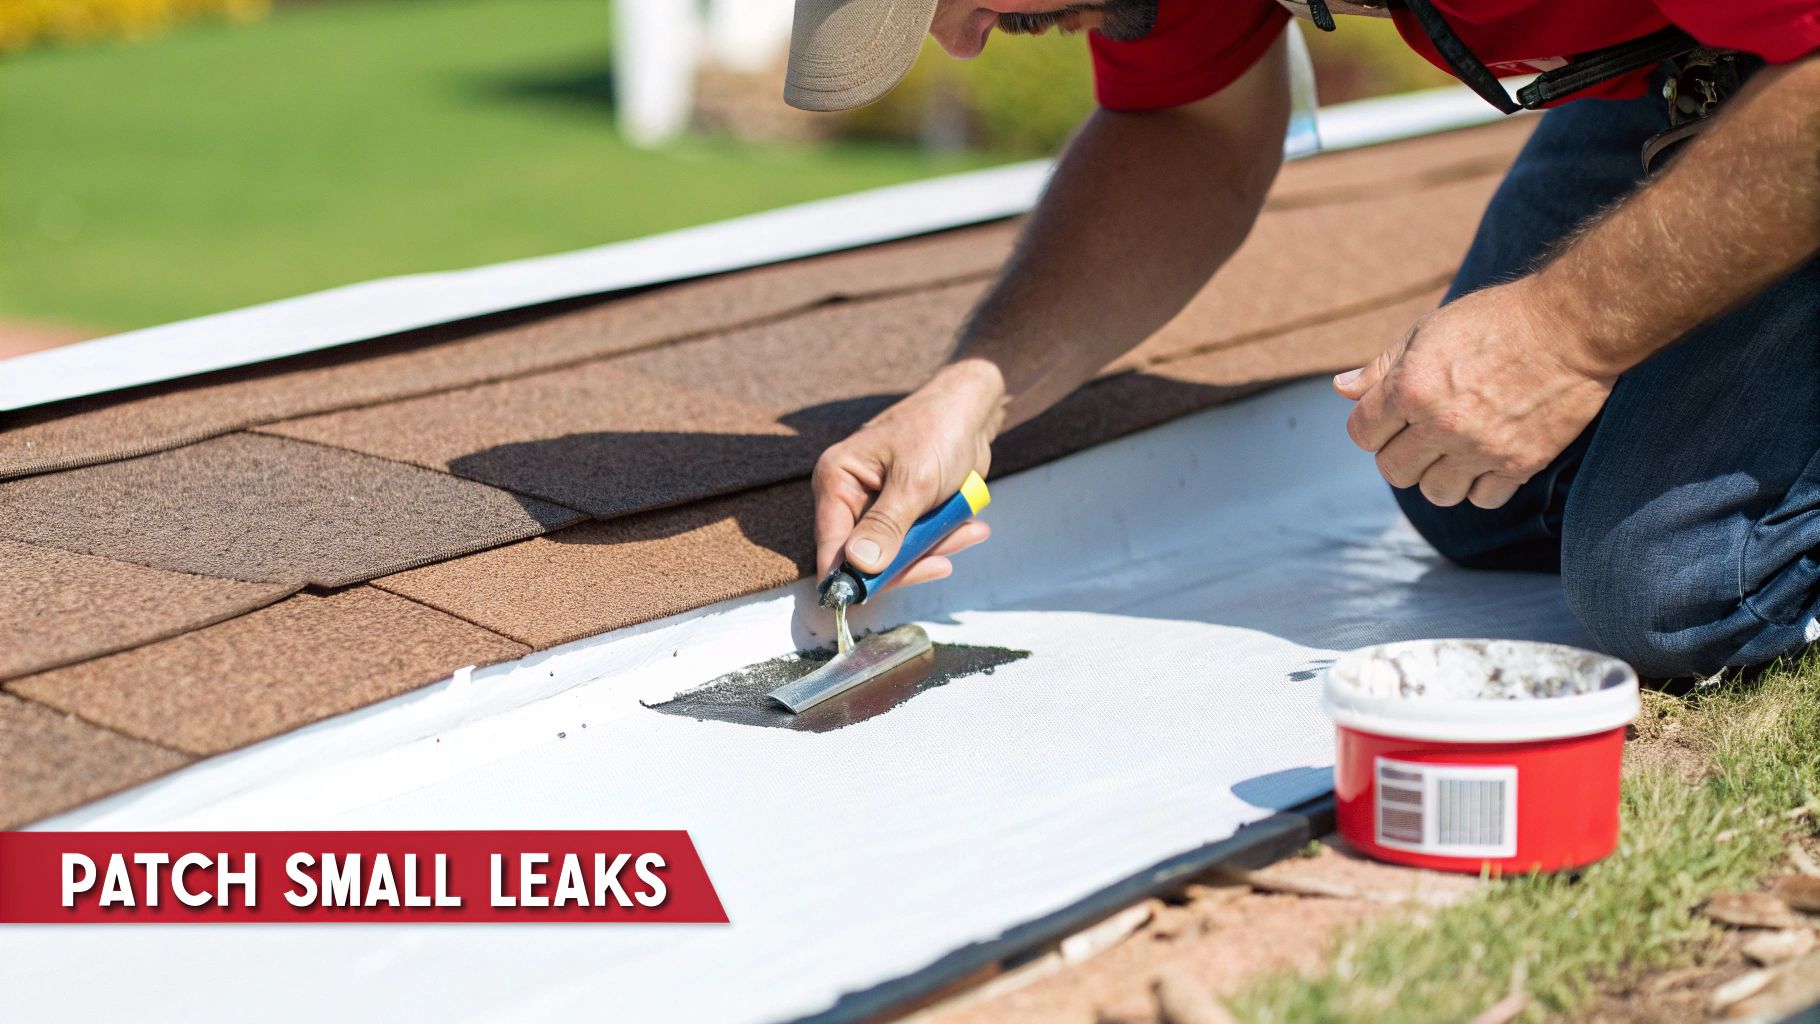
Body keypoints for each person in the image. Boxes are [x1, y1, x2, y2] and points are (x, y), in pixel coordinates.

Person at [783, 0, 1820, 677]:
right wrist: (975, 392)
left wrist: (1568, 330)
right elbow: (1186, 128)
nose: (957, 41)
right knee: (1467, 486)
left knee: (1684, 583)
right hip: (1730, 48)